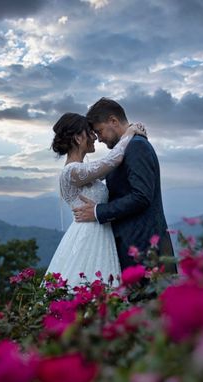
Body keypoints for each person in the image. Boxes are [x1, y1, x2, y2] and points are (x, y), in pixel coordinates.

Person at [73, 98, 176, 273]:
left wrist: (99, 211)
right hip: (135, 246)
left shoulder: (136, 147)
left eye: (99, 131)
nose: (98, 139)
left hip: (143, 248)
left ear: (113, 121)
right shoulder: (125, 149)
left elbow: (141, 196)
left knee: (148, 300)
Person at [45, 112, 145, 288]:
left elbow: (110, 167)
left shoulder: (84, 171)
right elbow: (114, 159)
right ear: (77, 138)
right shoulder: (72, 171)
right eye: (90, 133)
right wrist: (129, 133)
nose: (94, 137)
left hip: (100, 233)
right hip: (87, 236)